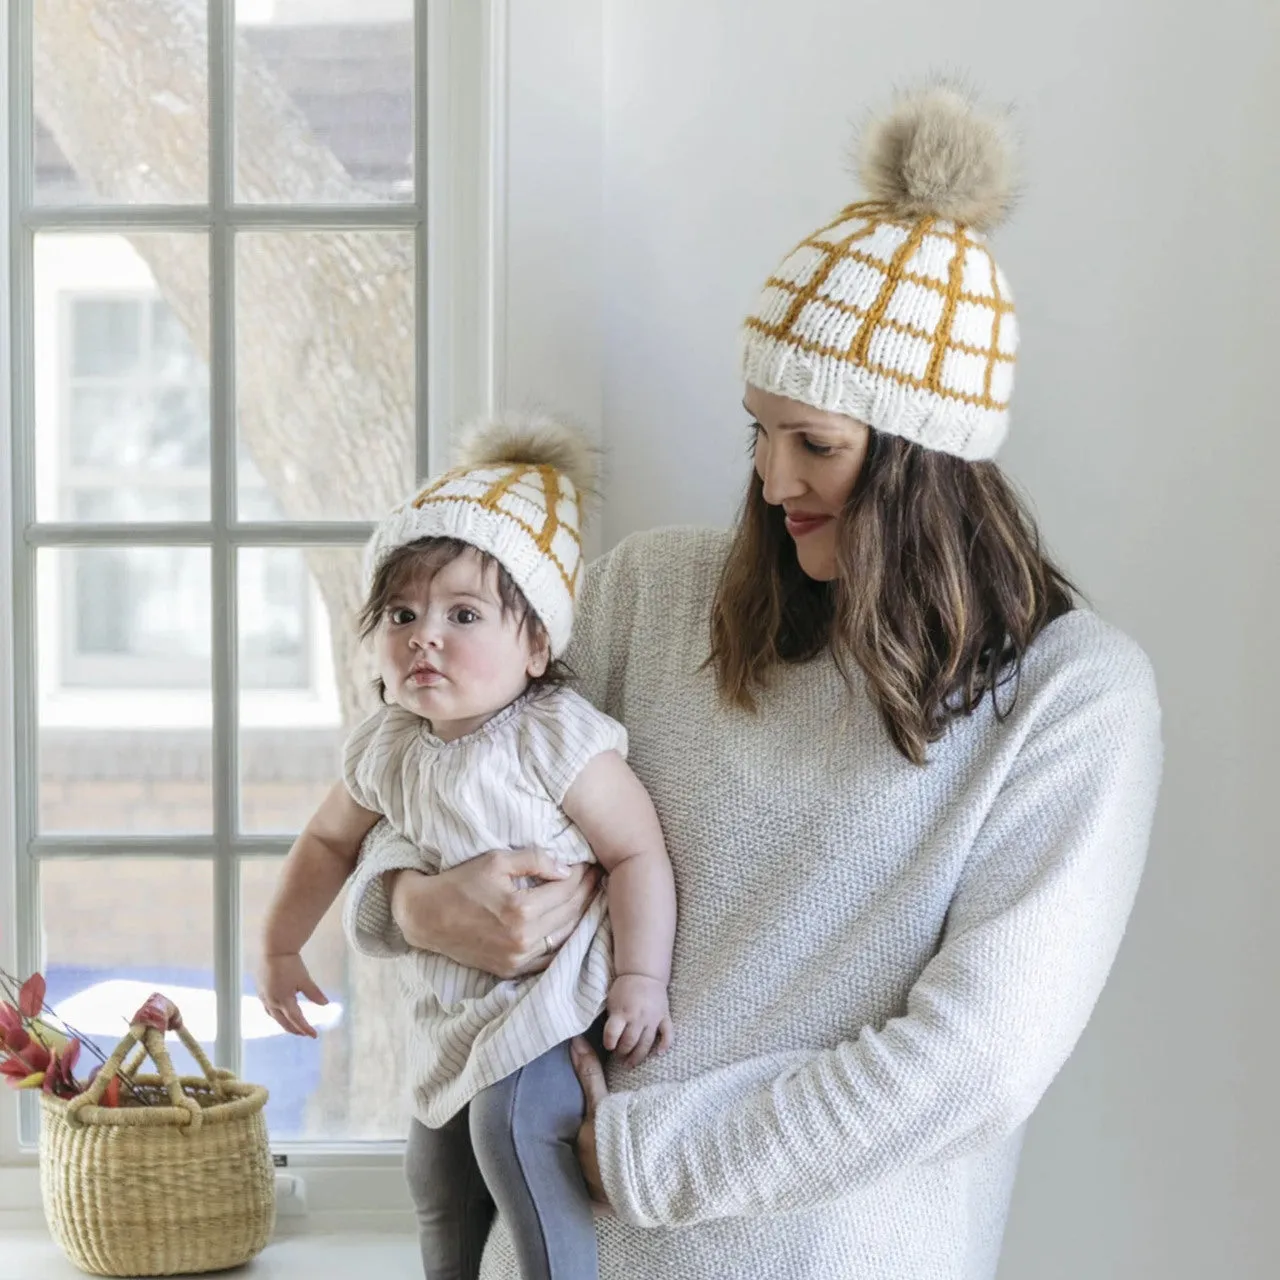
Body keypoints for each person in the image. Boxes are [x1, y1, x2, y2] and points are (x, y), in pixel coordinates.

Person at [344, 81, 1163, 1280]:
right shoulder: (646, 595)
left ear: (922, 460)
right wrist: (413, 904)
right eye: (756, 433)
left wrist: (627, 1153)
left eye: (817, 443)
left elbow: (971, 1061)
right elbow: (423, 774)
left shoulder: (1074, 701)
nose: (775, 480)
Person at [257, 418, 677, 1280]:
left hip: (552, 1006)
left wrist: (642, 977)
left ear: (535, 646)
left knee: (514, 1129)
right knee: (434, 1168)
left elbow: (638, 854)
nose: (425, 637)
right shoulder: (389, 745)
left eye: (463, 614)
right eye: (402, 614)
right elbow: (329, 841)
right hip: (452, 1018)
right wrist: (279, 942)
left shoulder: (556, 737)